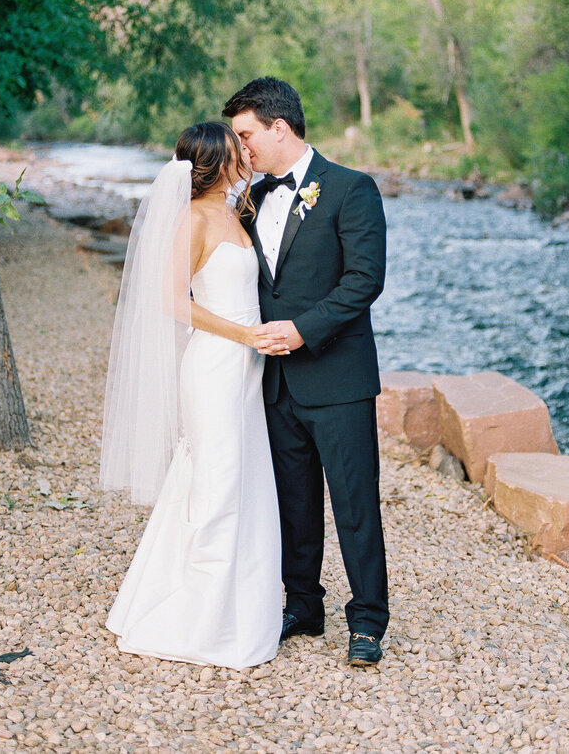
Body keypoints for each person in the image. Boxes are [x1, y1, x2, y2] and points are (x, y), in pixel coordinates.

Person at [99, 122, 289, 669]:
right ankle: (199, 620)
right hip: (215, 363)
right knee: (218, 479)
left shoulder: (235, 211)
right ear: (216, 162)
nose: (246, 154)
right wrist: (246, 335)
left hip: (245, 368)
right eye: (238, 149)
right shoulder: (194, 219)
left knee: (238, 475)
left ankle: (238, 606)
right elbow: (172, 300)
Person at [223, 77, 389, 667]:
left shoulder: (351, 189)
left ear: (278, 127)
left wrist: (303, 329)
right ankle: (303, 604)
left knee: (354, 504)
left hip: (337, 377)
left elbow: (364, 281)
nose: (240, 148)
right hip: (272, 381)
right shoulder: (248, 200)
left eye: (245, 135)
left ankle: (368, 619)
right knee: (292, 502)